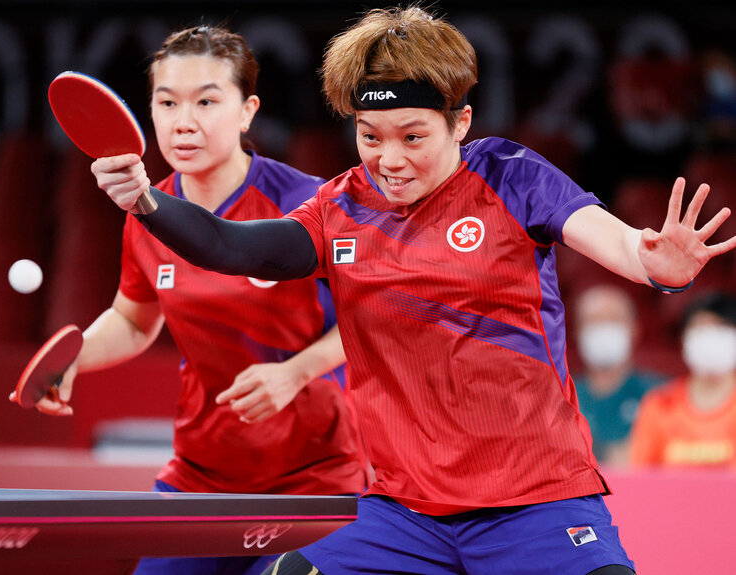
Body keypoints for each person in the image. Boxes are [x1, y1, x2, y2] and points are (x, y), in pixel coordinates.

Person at [90, 7, 736, 575]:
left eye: (413, 136)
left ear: (461, 123)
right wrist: (147, 202)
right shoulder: (340, 205)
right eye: (370, 137)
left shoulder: (510, 177)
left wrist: (652, 262)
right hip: (401, 514)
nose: (389, 159)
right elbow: (233, 247)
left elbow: (613, 240)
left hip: (535, 502)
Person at [14, 25, 367, 575]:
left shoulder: (309, 203)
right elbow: (134, 320)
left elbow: (371, 318)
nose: (184, 121)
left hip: (316, 473)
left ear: (247, 110)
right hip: (203, 473)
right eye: (167, 101)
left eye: (207, 101)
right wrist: (73, 360)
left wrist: (296, 372)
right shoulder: (150, 213)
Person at [629, 292, 736, 468]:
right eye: (700, 329)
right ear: (684, 340)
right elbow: (640, 478)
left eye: (721, 328)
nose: (710, 339)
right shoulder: (659, 405)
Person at [573, 284, 663, 467]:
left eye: (613, 320)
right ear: (577, 331)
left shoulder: (659, 394)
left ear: (634, 328)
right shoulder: (562, 397)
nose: (603, 330)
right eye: (593, 321)